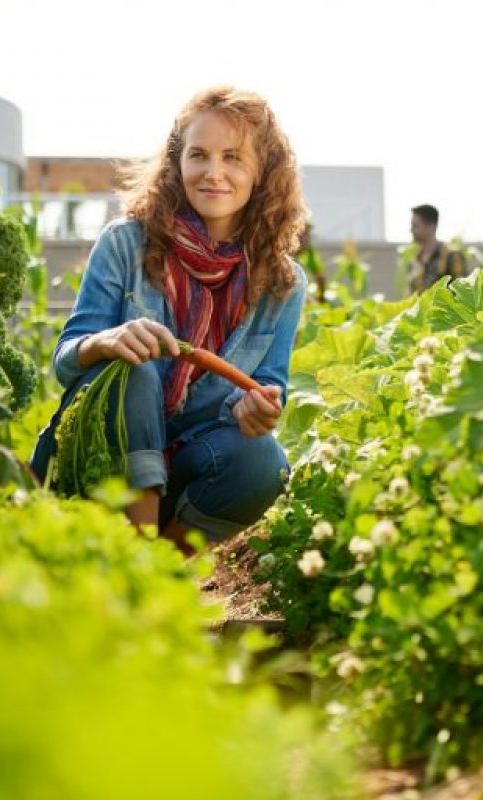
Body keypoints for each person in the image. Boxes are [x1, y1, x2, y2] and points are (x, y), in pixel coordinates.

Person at [30, 86, 308, 554]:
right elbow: (65, 361)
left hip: (189, 463)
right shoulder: (125, 243)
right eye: (198, 155)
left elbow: (267, 385)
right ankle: (136, 562)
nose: (213, 173)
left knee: (265, 463)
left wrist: (256, 409)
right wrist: (105, 341)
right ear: (178, 163)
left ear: (262, 172)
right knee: (136, 369)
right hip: (102, 461)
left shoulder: (283, 282)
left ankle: (164, 568)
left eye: (233, 158)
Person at [406, 204, 468, 294]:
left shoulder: (451, 255)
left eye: (415, 226)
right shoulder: (416, 259)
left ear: (431, 226)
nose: (411, 230)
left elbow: (462, 290)